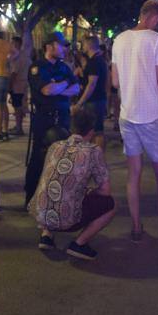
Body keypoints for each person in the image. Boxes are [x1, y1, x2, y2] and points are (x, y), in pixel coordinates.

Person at [111, 0, 158, 244]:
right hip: (151, 115)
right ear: (155, 18)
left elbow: (115, 82)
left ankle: (136, 227)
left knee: (134, 173)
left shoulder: (119, 40)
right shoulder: (157, 40)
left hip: (127, 115)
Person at [30, 109, 116, 260]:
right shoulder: (93, 151)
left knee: (54, 186)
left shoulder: (55, 146)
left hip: (40, 214)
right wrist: (90, 192)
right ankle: (79, 244)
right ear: (91, 131)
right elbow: (105, 191)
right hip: (67, 220)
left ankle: (47, 235)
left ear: (72, 128)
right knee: (110, 205)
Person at [24, 31, 79, 206]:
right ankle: (31, 198)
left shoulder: (63, 67)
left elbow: (77, 87)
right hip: (44, 119)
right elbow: (46, 90)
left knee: (61, 160)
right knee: (39, 159)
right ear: (50, 46)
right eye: (61, 45)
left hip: (62, 118)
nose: (64, 49)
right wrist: (64, 85)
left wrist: (58, 87)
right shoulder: (37, 67)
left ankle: (55, 198)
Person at [71, 35, 108, 150]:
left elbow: (91, 84)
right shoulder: (99, 60)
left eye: (83, 44)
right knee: (96, 130)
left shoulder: (94, 61)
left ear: (88, 45)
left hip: (94, 101)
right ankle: (95, 157)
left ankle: (98, 159)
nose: (83, 47)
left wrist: (80, 103)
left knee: (96, 131)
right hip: (98, 99)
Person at [8, 32, 33, 136]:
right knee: (20, 106)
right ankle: (19, 127)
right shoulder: (26, 57)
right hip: (24, 85)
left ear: (16, 44)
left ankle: (19, 128)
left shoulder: (17, 57)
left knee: (17, 107)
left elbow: (14, 73)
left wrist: (9, 86)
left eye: (12, 43)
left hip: (17, 85)